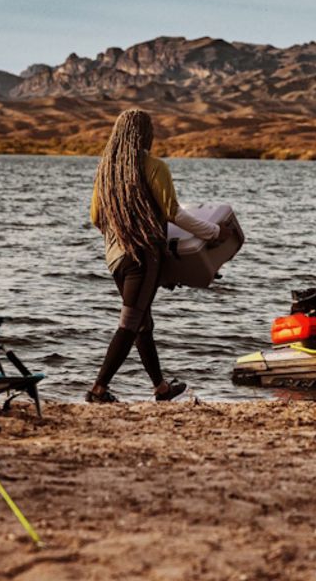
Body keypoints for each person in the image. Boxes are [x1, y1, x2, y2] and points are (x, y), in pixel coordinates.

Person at [87, 109, 231, 403]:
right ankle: (98, 389)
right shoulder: (154, 167)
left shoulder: (106, 172)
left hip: (115, 258)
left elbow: (95, 218)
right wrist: (215, 232)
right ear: (144, 134)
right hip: (143, 256)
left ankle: (161, 389)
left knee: (142, 323)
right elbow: (174, 213)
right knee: (130, 324)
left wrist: (122, 232)